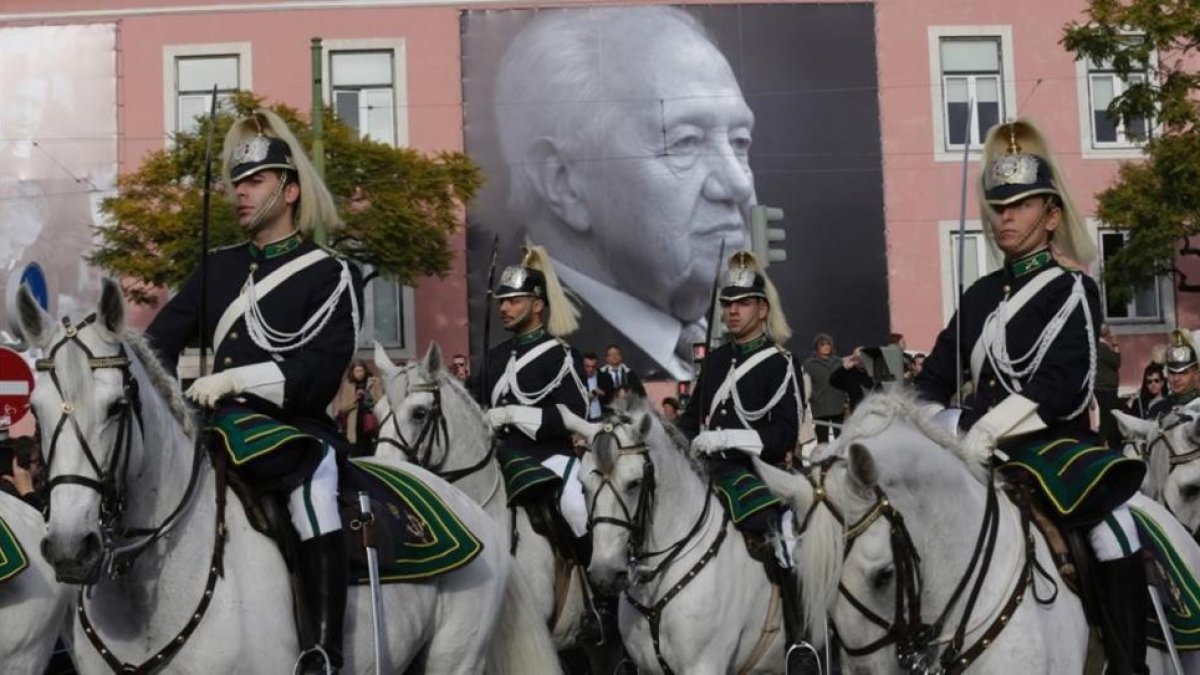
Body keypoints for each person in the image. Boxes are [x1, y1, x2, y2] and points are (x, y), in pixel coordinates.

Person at [914, 119, 1148, 674]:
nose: (1005, 218)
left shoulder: (1072, 289)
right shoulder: (976, 297)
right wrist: (929, 423)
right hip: (977, 455)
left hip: (1054, 449)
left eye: (1020, 205)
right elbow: (932, 379)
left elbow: (1065, 385)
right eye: (998, 206)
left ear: (1051, 216)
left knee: (1116, 528)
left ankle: (1127, 664)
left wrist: (987, 428)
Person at [146, 109, 362, 674]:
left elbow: (319, 371)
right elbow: (155, 347)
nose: (240, 194)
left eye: (254, 182)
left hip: (292, 432)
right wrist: (171, 404)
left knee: (316, 491)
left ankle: (322, 649)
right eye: (236, 185)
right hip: (213, 428)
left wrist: (239, 378)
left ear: (289, 190)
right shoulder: (217, 269)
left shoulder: (327, 273)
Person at [495, 6, 753, 381]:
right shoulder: (535, 352)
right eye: (685, 142)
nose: (740, 184)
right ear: (562, 182)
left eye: (740, 141)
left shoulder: (735, 340)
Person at [679, 250, 817, 674]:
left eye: (740, 304)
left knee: (787, 542)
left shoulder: (782, 363)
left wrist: (730, 438)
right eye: (727, 304)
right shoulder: (717, 360)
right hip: (709, 472)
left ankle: (800, 640)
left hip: (760, 474)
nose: (731, 312)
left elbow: (783, 434)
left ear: (761, 309)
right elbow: (689, 419)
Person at [479, 245, 604, 638]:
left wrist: (517, 414)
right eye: (502, 301)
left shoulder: (563, 355)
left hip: (548, 457)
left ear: (537, 305)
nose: (505, 308)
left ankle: (597, 601)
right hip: (501, 460)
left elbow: (574, 415)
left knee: (574, 507)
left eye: (514, 301)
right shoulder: (495, 356)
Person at [335, 360, 383, 458]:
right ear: (352, 372)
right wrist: (355, 398)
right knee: (356, 454)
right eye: (357, 371)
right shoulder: (348, 385)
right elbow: (343, 408)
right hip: (355, 426)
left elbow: (381, 400)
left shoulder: (375, 382)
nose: (359, 374)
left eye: (361, 371)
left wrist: (368, 396)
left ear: (365, 371)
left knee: (372, 451)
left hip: (371, 422)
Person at [803, 333, 846, 443]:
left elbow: (844, 381)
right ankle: (823, 460)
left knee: (841, 439)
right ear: (817, 347)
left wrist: (845, 400)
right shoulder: (809, 364)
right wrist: (812, 397)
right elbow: (806, 384)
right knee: (822, 441)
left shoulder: (839, 362)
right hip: (819, 406)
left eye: (828, 344)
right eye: (822, 344)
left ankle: (840, 460)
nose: (826, 346)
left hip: (838, 405)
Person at [1148, 329, 1200, 418]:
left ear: (1196, 374)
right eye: (1172, 372)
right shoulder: (1157, 409)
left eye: (1183, 373)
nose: (1176, 379)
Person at [1096, 324, 1123, 448]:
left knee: (1106, 418)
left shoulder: (1101, 346)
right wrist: (1116, 344)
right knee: (1108, 420)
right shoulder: (1101, 347)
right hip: (1106, 389)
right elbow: (1116, 362)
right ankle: (1107, 444)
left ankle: (1105, 442)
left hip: (1104, 388)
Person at [582, 352, 604, 421]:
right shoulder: (577, 380)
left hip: (601, 418)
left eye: (593, 366)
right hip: (584, 418)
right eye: (587, 366)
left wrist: (604, 394)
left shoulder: (603, 377)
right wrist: (594, 392)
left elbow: (609, 396)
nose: (590, 369)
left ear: (597, 365)